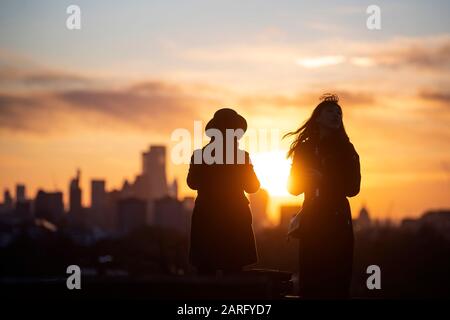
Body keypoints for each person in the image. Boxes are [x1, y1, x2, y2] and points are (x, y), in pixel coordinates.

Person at [285, 94, 361, 298]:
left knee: (336, 280)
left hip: (337, 221)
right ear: (317, 117)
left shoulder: (346, 149)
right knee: (311, 280)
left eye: (339, 113)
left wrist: (323, 178)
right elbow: (292, 188)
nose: (336, 115)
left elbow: (353, 188)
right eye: (330, 111)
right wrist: (303, 177)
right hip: (311, 221)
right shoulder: (304, 148)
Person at [187, 108, 260, 275]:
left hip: (206, 216)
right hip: (235, 216)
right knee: (234, 269)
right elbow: (253, 186)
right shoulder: (241, 156)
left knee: (205, 271)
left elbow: (192, 183)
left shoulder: (200, 155)